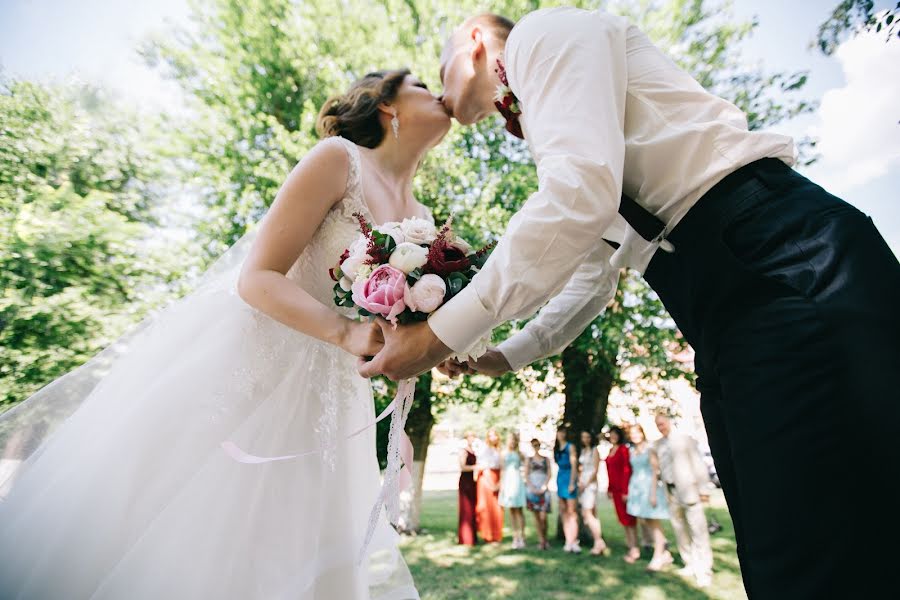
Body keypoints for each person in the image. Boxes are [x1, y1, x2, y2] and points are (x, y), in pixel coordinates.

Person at [359, 9, 900, 598]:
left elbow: (578, 194)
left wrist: (441, 333)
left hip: (784, 255)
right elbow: (591, 277)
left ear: (474, 42)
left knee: (818, 546)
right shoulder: (562, 121)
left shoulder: (544, 37)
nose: (439, 88)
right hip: (714, 306)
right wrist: (504, 356)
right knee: (778, 544)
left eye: (440, 69)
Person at [0, 69, 451, 599]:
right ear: (387, 106)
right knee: (203, 524)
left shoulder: (422, 220)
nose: (439, 92)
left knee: (303, 538)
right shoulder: (338, 161)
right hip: (256, 365)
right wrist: (346, 333)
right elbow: (256, 277)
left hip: (331, 391)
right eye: (422, 84)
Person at [654, 413, 714, 587]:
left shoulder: (684, 439)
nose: (660, 427)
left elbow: (698, 463)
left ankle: (704, 570)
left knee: (698, 531)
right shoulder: (658, 444)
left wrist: (704, 489)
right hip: (671, 492)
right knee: (679, 529)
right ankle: (689, 562)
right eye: (658, 424)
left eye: (662, 423)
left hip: (689, 492)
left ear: (669, 422)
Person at [626, 424, 673, 572]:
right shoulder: (632, 451)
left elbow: (655, 471)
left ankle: (658, 556)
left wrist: (653, 494)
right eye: (632, 433)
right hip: (636, 489)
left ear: (642, 433)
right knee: (645, 521)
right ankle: (665, 554)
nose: (634, 436)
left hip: (649, 488)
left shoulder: (649, 448)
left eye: (637, 432)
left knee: (654, 522)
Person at [605, 425, 639, 563]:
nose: (613, 436)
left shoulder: (623, 449)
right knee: (623, 519)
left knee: (629, 520)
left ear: (619, 435)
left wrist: (626, 491)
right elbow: (609, 471)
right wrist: (609, 488)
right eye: (611, 434)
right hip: (615, 491)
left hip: (623, 490)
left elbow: (627, 470)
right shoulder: (610, 450)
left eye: (615, 434)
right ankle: (630, 545)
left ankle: (635, 548)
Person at [577, 430, 609, 555]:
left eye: (587, 437)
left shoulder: (595, 450)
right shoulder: (583, 451)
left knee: (587, 513)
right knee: (591, 514)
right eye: (583, 437)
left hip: (591, 484)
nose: (585, 439)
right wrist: (580, 482)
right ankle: (599, 542)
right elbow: (581, 469)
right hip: (583, 483)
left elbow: (595, 470)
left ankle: (598, 541)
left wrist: (586, 484)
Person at [499, 431, 527, 549]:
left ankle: (522, 536)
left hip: (517, 481)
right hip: (507, 482)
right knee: (511, 511)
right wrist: (502, 486)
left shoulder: (520, 453)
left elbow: (526, 467)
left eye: (514, 440)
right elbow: (502, 470)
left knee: (519, 511)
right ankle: (515, 537)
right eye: (511, 440)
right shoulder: (504, 453)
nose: (512, 442)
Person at [475, 428, 504, 543]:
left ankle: (497, 534)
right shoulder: (484, 449)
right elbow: (483, 467)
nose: (493, 438)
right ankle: (487, 535)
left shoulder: (499, 450)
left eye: (495, 435)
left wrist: (499, 483)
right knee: (487, 507)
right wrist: (491, 484)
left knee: (497, 507)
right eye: (490, 435)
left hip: (497, 477)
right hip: (486, 479)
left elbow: (502, 467)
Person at [554, 427, 580, 553]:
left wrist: (572, 482)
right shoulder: (556, 448)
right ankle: (568, 540)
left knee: (572, 512)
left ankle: (574, 541)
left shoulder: (571, 447)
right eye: (559, 432)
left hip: (569, 478)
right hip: (560, 479)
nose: (561, 434)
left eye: (563, 432)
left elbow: (574, 466)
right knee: (563, 511)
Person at [524, 438, 552, 550]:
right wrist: (532, 488)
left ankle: (545, 538)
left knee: (543, 516)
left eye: (537, 445)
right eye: (534, 445)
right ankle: (541, 540)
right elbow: (526, 475)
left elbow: (549, 473)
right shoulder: (529, 460)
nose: (536, 447)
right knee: (536, 517)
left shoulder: (546, 459)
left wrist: (544, 486)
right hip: (532, 489)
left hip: (543, 488)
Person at [458, 431, 479, 546]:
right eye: (470, 437)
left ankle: (472, 537)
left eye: (473, 437)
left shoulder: (473, 450)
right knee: (466, 509)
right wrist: (476, 467)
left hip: (471, 481)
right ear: (466, 438)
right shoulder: (463, 451)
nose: (472, 439)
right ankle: (466, 538)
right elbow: (462, 467)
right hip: (465, 482)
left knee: (472, 509)